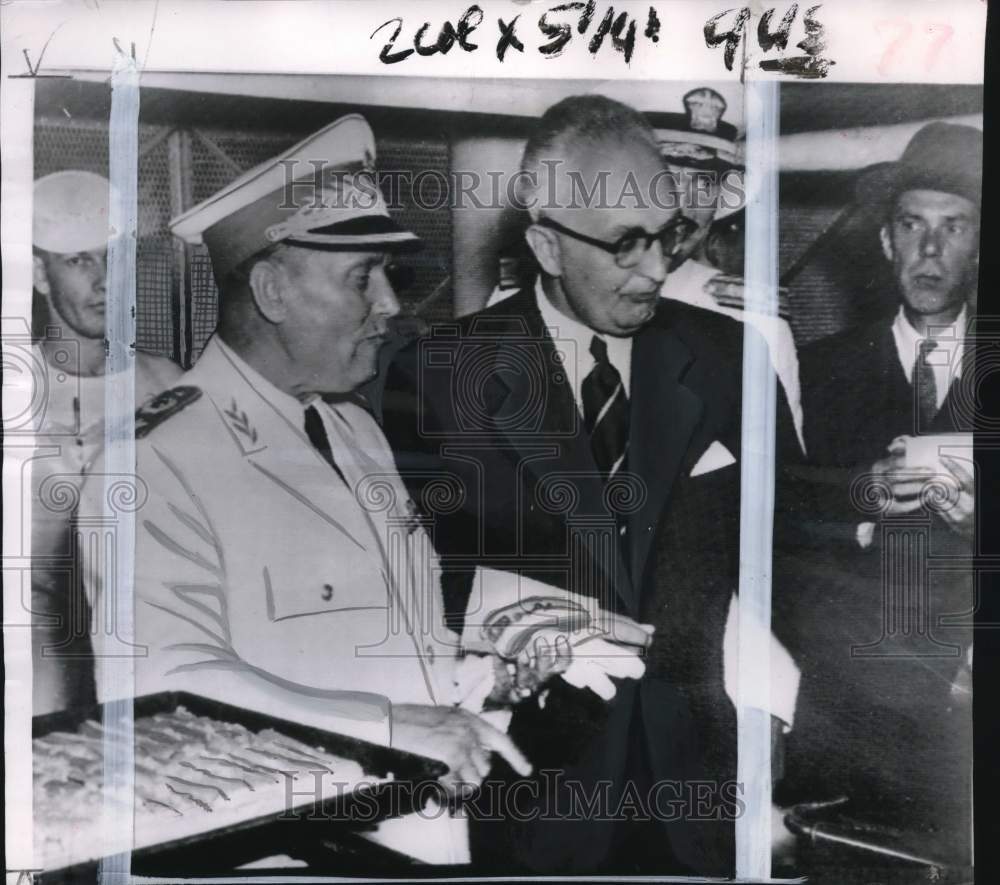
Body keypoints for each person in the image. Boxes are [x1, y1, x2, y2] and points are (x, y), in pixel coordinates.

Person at [77, 114, 645, 865]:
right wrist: (388, 723)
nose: (391, 304)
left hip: (421, 834)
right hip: (283, 854)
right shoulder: (154, 462)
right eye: (361, 277)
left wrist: (488, 679)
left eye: (387, 275)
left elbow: (391, 632)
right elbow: (163, 679)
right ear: (274, 289)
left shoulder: (352, 430)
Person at [383, 95, 800, 875]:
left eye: (669, 234)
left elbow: (796, 549)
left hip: (702, 789)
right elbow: (405, 581)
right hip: (528, 786)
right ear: (545, 244)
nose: (658, 268)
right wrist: (495, 634)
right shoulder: (438, 375)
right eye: (625, 244)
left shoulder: (730, 359)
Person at [776, 122, 978, 864]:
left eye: (953, 227)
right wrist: (860, 496)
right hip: (847, 710)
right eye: (912, 226)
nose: (930, 250)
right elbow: (775, 532)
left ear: (980, 245)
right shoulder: (819, 371)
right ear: (886, 241)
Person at [30, 170, 182, 715]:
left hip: (146, 665)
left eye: (114, 258)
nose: (104, 281)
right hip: (38, 673)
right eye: (79, 260)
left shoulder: (171, 385)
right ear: (39, 275)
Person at [653, 87, 804, 451]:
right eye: (667, 179)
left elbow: (786, 483)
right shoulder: (542, 299)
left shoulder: (756, 322)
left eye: (704, 182)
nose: (685, 206)